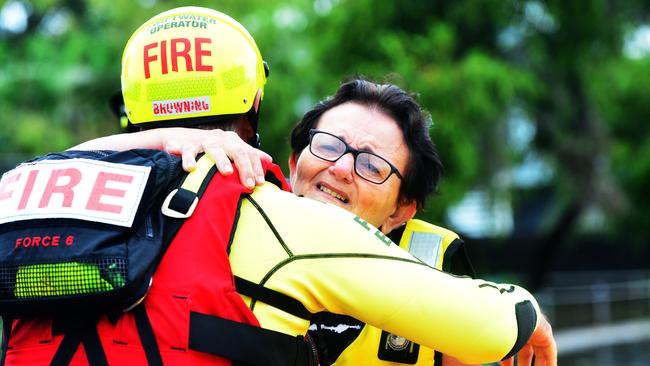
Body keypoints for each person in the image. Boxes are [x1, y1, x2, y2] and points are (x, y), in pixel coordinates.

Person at [2, 6, 555, 366]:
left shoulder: (30, 201)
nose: (340, 168)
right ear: (257, 123)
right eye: (330, 147)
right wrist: (524, 310)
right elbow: (491, 326)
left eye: (371, 164)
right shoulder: (277, 222)